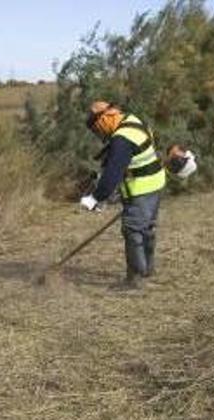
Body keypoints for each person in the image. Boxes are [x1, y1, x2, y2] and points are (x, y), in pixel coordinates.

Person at [79, 101, 166, 288]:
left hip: (141, 189)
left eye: (97, 127)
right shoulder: (133, 120)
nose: (99, 133)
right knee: (147, 228)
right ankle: (148, 268)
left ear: (107, 116)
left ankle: (135, 278)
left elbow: (112, 174)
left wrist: (95, 198)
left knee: (133, 230)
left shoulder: (122, 138)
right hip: (156, 184)